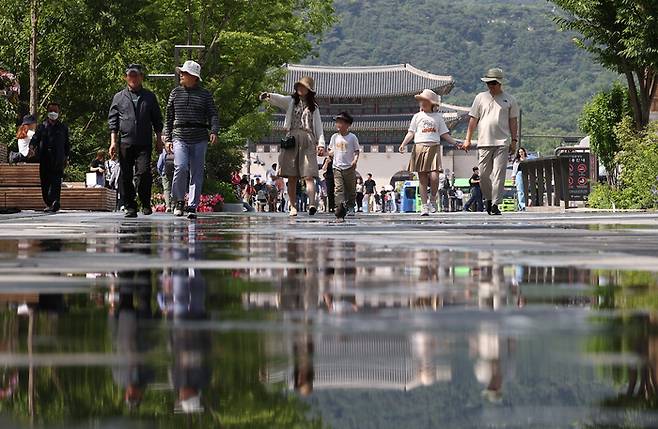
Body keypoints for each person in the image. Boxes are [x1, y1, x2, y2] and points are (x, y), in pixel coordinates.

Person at [260, 76, 326, 217]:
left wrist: (321, 144)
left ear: (309, 91)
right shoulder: (291, 101)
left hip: (308, 139)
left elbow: (319, 127)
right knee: (292, 176)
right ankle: (292, 206)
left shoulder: (314, 107)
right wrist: (269, 96)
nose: (300, 89)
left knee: (309, 175)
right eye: (299, 86)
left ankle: (312, 203)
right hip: (292, 139)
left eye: (303, 87)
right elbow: (279, 99)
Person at [166, 60, 220, 220]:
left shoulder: (205, 94)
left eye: (185, 73)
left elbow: (213, 114)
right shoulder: (175, 93)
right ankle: (178, 201)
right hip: (179, 135)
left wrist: (214, 130)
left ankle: (192, 205)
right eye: (181, 72)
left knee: (197, 172)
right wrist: (167, 137)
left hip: (199, 136)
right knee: (180, 167)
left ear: (194, 77)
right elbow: (168, 117)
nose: (181, 75)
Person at [108, 64, 164, 218]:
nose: (133, 78)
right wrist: (113, 142)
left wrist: (159, 139)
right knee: (125, 175)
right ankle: (130, 205)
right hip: (125, 142)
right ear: (126, 77)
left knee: (144, 172)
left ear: (141, 77)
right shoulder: (119, 97)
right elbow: (113, 121)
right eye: (130, 76)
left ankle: (145, 202)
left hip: (144, 142)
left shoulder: (149, 96)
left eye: (136, 75)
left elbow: (157, 120)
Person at [462, 68, 520, 216]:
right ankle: (488, 198)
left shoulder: (510, 99)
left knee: (499, 174)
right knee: (483, 174)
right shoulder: (480, 98)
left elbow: (513, 121)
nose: (490, 85)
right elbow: (473, 119)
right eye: (488, 83)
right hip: (484, 141)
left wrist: (514, 140)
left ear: (500, 83)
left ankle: (495, 204)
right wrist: (468, 139)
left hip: (503, 141)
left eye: (493, 83)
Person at [399, 89, 460, 216]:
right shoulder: (417, 116)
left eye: (424, 100)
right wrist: (403, 144)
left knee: (434, 176)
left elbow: (444, 134)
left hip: (434, 147)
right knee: (422, 178)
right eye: (421, 100)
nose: (422, 103)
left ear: (431, 103)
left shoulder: (438, 117)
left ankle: (433, 199)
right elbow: (411, 132)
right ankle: (424, 205)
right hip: (419, 147)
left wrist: (455, 143)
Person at [30, 102, 70, 212]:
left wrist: (66, 157)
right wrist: (32, 147)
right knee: (45, 183)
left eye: (55, 111)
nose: (53, 113)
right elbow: (35, 139)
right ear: (48, 112)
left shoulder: (63, 128)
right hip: (45, 159)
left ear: (59, 113)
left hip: (58, 159)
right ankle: (49, 202)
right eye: (51, 111)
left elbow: (67, 144)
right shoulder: (42, 127)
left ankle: (55, 202)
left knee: (56, 182)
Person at [328, 112, 360, 220]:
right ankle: (339, 207)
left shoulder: (352, 137)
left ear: (347, 124)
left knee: (351, 189)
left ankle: (351, 206)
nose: (337, 124)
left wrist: (355, 160)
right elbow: (331, 151)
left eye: (340, 122)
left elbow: (356, 151)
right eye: (337, 122)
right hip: (337, 167)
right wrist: (326, 155)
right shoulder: (334, 137)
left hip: (349, 167)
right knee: (338, 188)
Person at [157, 146, 175, 212]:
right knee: (174, 189)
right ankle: (173, 205)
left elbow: (159, 164)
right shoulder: (176, 150)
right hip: (175, 172)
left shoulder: (164, 151)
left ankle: (168, 206)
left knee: (166, 189)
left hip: (165, 172)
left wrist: (161, 173)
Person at [512, 147, 528, 211]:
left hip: (526, 174)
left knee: (526, 190)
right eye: (519, 152)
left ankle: (520, 206)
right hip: (519, 174)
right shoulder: (517, 161)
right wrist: (513, 179)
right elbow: (514, 171)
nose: (521, 153)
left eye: (522, 152)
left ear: (524, 152)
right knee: (520, 190)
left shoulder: (527, 159)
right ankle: (522, 205)